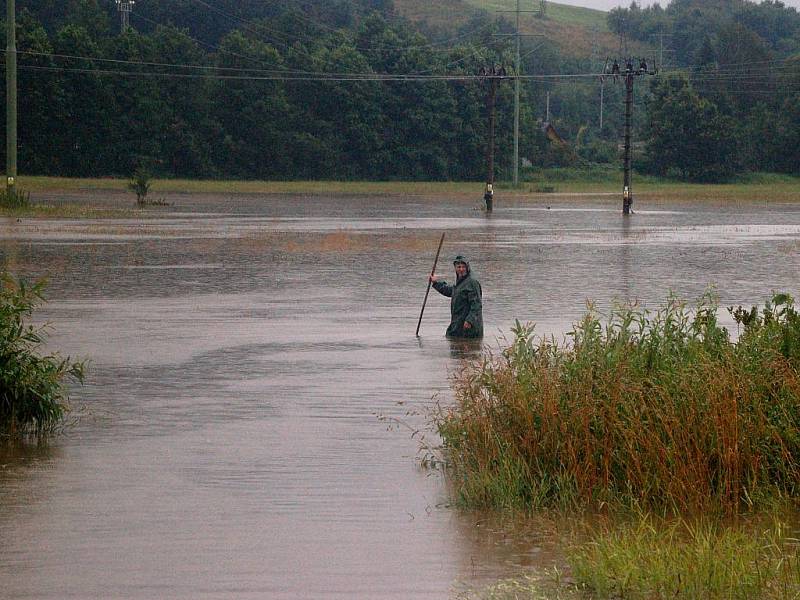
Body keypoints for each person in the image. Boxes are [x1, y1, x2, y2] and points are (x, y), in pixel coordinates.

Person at [429, 255, 483, 338]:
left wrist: (470, 320)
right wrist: (436, 283)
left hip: (469, 327)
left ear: (467, 267)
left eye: (463, 267)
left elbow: (477, 305)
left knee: (469, 349)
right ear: (455, 268)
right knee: (454, 344)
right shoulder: (460, 282)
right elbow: (451, 291)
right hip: (457, 324)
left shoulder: (472, 282)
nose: (461, 269)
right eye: (458, 267)